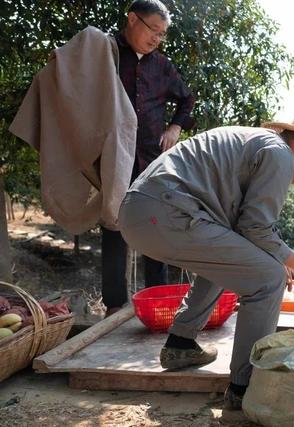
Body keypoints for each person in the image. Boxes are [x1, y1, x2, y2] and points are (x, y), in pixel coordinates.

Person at [117, 107, 294, 409]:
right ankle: (246, 387)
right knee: (269, 279)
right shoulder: (279, 153)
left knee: (235, 261)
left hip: (142, 210)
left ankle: (181, 344)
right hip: (164, 212)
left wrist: (276, 255)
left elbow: (244, 232)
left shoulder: (258, 145)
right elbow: (256, 226)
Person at [102, 0, 196, 316]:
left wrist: (175, 127)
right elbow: (74, 73)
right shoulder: (105, 51)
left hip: (152, 161)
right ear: (132, 19)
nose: (156, 38)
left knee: (156, 228)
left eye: (162, 33)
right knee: (114, 227)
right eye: (153, 29)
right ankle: (114, 307)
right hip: (115, 157)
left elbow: (186, 99)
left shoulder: (162, 66)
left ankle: (159, 303)